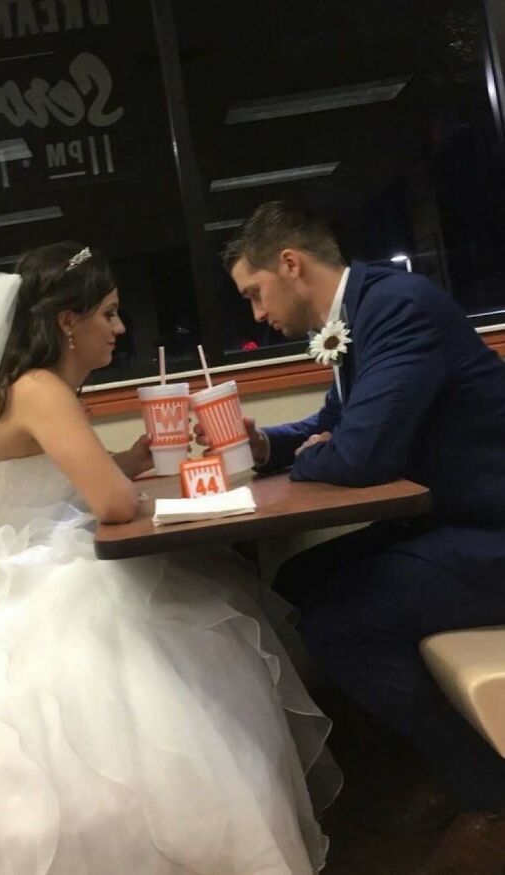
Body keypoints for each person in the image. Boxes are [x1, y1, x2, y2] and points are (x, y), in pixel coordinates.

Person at [0, 241, 340, 875]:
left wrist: (128, 465)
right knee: (176, 644)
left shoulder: (12, 387)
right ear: (68, 321)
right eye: (108, 314)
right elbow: (112, 507)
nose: (118, 329)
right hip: (32, 573)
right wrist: (134, 490)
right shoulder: (41, 389)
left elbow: (34, 480)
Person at [196, 200, 505, 875]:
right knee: (295, 582)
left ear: (290, 264)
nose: (255, 314)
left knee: (339, 623)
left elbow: (359, 453)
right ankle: (421, 761)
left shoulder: (398, 307)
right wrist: (266, 443)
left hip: (490, 528)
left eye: (254, 294)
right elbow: (338, 424)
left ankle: (488, 794)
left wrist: (325, 447)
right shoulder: (360, 315)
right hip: (452, 519)